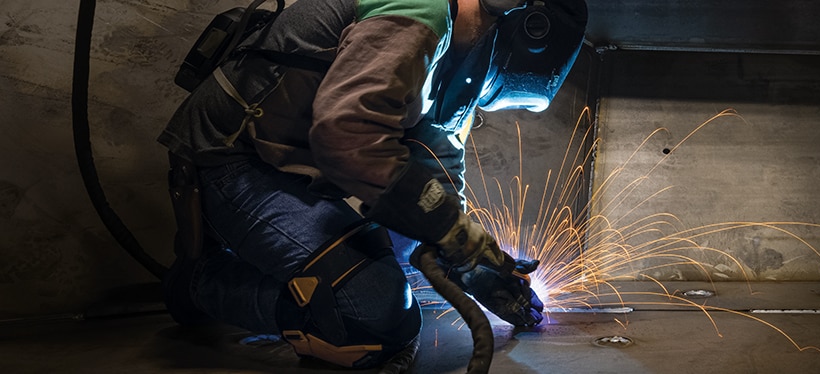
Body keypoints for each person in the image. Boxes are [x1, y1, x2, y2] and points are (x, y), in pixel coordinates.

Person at [156, 0, 587, 369]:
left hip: (292, 166)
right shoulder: (417, 12)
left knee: (400, 262)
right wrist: (452, 234)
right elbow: (346, 134)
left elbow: (436, 165)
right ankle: (201, 284)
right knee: (374, 315)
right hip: (231, 158)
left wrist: (472, 265)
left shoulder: (463, 57)